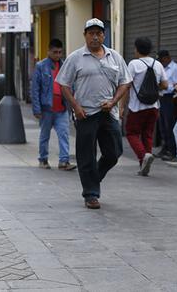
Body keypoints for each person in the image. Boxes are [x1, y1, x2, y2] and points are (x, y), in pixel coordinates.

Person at [56, 18, 131, 210]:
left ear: (104, 35)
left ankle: (94, 177)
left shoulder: (115, 57)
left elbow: (125, 82)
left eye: (99, 33)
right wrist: (75, 106)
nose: (95, 37)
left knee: (114, 152)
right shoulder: (76, 57)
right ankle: (91, 194)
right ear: (85, 35)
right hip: (86, 114)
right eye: (91, 33)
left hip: (109, 112)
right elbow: (63, 84)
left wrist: (114, 102)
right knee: (86, 154)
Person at [121, 37, 167, 176]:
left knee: (131, 133)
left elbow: (126, 86)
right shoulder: (157, 64)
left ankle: (143, 156)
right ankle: (144, 165)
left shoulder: (134, 64)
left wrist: (122, 106)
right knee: (147, 135)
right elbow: (165, 85)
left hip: (137, 107)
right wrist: (153, 89)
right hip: (153, 106)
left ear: (136, 49)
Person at [31, 39, 76, 171]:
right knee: (45, 135)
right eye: (55, 52)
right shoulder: (41, 66)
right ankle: (43, 159)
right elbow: (35, 89)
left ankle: (64, 161)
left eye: (60, 52)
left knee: (64, 134)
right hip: (47, 108)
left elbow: (70, 84)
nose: (58, 55)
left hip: (62, 108)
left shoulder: (65, 65)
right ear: (49, 51)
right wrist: (36, 109)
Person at [156, 50, 177, 160]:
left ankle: (172, 150)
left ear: (167, 58)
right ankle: (165, 148)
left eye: (162, 60)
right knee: (162, 125)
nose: (161, 62)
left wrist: (165, 87)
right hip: (161, 97)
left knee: (170, 124)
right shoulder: (162, 68)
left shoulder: (175, 68)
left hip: (170, 98)